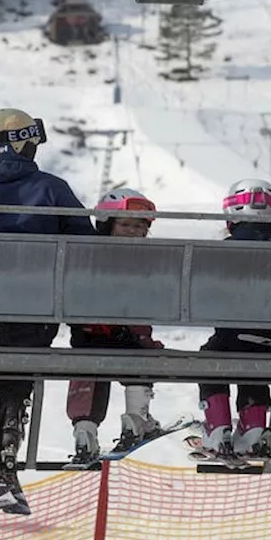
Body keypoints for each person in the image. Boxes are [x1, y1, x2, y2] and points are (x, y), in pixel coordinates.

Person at [0, 107, 95, 515]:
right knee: (16, 367)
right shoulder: (54, 191)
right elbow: (89, 249)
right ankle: (6, 442)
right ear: (20, 142)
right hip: (33, 324)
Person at [66, 187, 168, 467]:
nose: (132, 231)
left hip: (91, 339)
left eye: (139, 226)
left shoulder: (86, 256)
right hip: (118, 339)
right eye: (124, 224)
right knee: (143, 355)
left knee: (89, 369)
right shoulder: (109, 259)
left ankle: (85, 432)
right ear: (106, 224)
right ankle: (135, 419)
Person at [196, 178, 271, 458]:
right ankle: (253, 427)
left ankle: (218, 428)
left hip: (234, 339)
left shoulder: (221, 252)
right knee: (256, 358)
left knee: (211, 355)